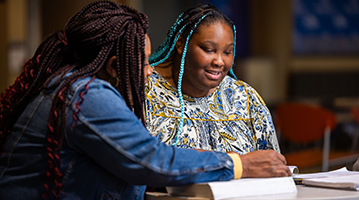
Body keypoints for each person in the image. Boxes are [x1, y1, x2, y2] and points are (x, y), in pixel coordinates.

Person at [0, 1, 290, 200]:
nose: (150, 71)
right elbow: (153, 160)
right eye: (143, 63)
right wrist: (238, 164)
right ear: (114, 66)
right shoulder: (88, 96)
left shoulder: (70, 86)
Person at [146, 4, 280, 155]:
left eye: (228, 52)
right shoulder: (144, 91)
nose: (219, 61)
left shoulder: (245, 98)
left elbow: (271, 164)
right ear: (181, 43)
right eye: (209, 50)